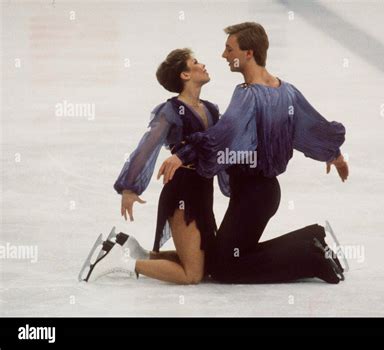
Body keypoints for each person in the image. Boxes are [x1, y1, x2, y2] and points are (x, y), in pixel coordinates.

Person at [158, 22, 349, 284]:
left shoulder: (247, 95)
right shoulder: (286, 90)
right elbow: (314, 128)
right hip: (264, 192)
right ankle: (310, 241)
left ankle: (311, 256)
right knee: (222, 259)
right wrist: (335, 156)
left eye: (229, 49)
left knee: (225, 268)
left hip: (252, 194)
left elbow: (222, 135)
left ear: (248, 53)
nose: (224, 56)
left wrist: (182, 154)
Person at [80, 48, 226, 284]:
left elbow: (219, 143)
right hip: (183, 192)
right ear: (185, 75)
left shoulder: (210, 109)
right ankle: (121, 262)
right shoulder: (170, 110)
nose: (202, 65)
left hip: (203, 191)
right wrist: (130, 188)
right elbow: (147, 147)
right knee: (192, 275)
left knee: (207, 263)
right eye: (195, 62)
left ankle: (138, 253)